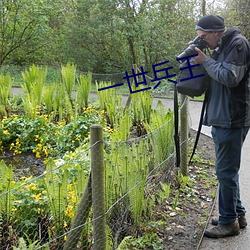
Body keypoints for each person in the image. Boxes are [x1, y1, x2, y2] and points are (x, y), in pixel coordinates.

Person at [193, 15, 250, 238]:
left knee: (225, 171)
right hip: (222, 117)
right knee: (227, 171)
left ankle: (228, 223)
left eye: (204, 37)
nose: (203, 41)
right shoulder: (222, 46)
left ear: (216, 32)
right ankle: (237, 214)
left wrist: (205, 61)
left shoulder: (238, 44)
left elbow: (229, 77)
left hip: (232, 118)